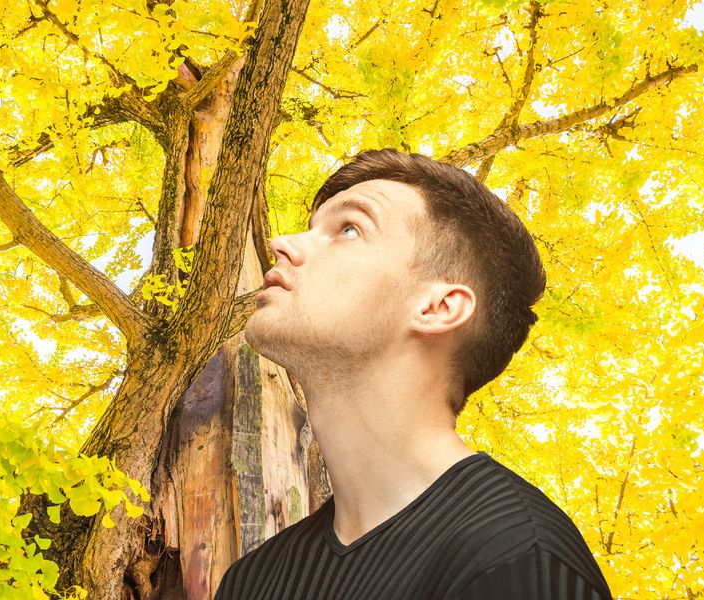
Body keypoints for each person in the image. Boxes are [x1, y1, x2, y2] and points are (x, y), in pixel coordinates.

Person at [216, 148, 613, 599]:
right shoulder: (251, 581)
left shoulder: (519, 558)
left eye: (349, 229)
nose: (282, 243)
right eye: (312, 227)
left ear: (437, 308)